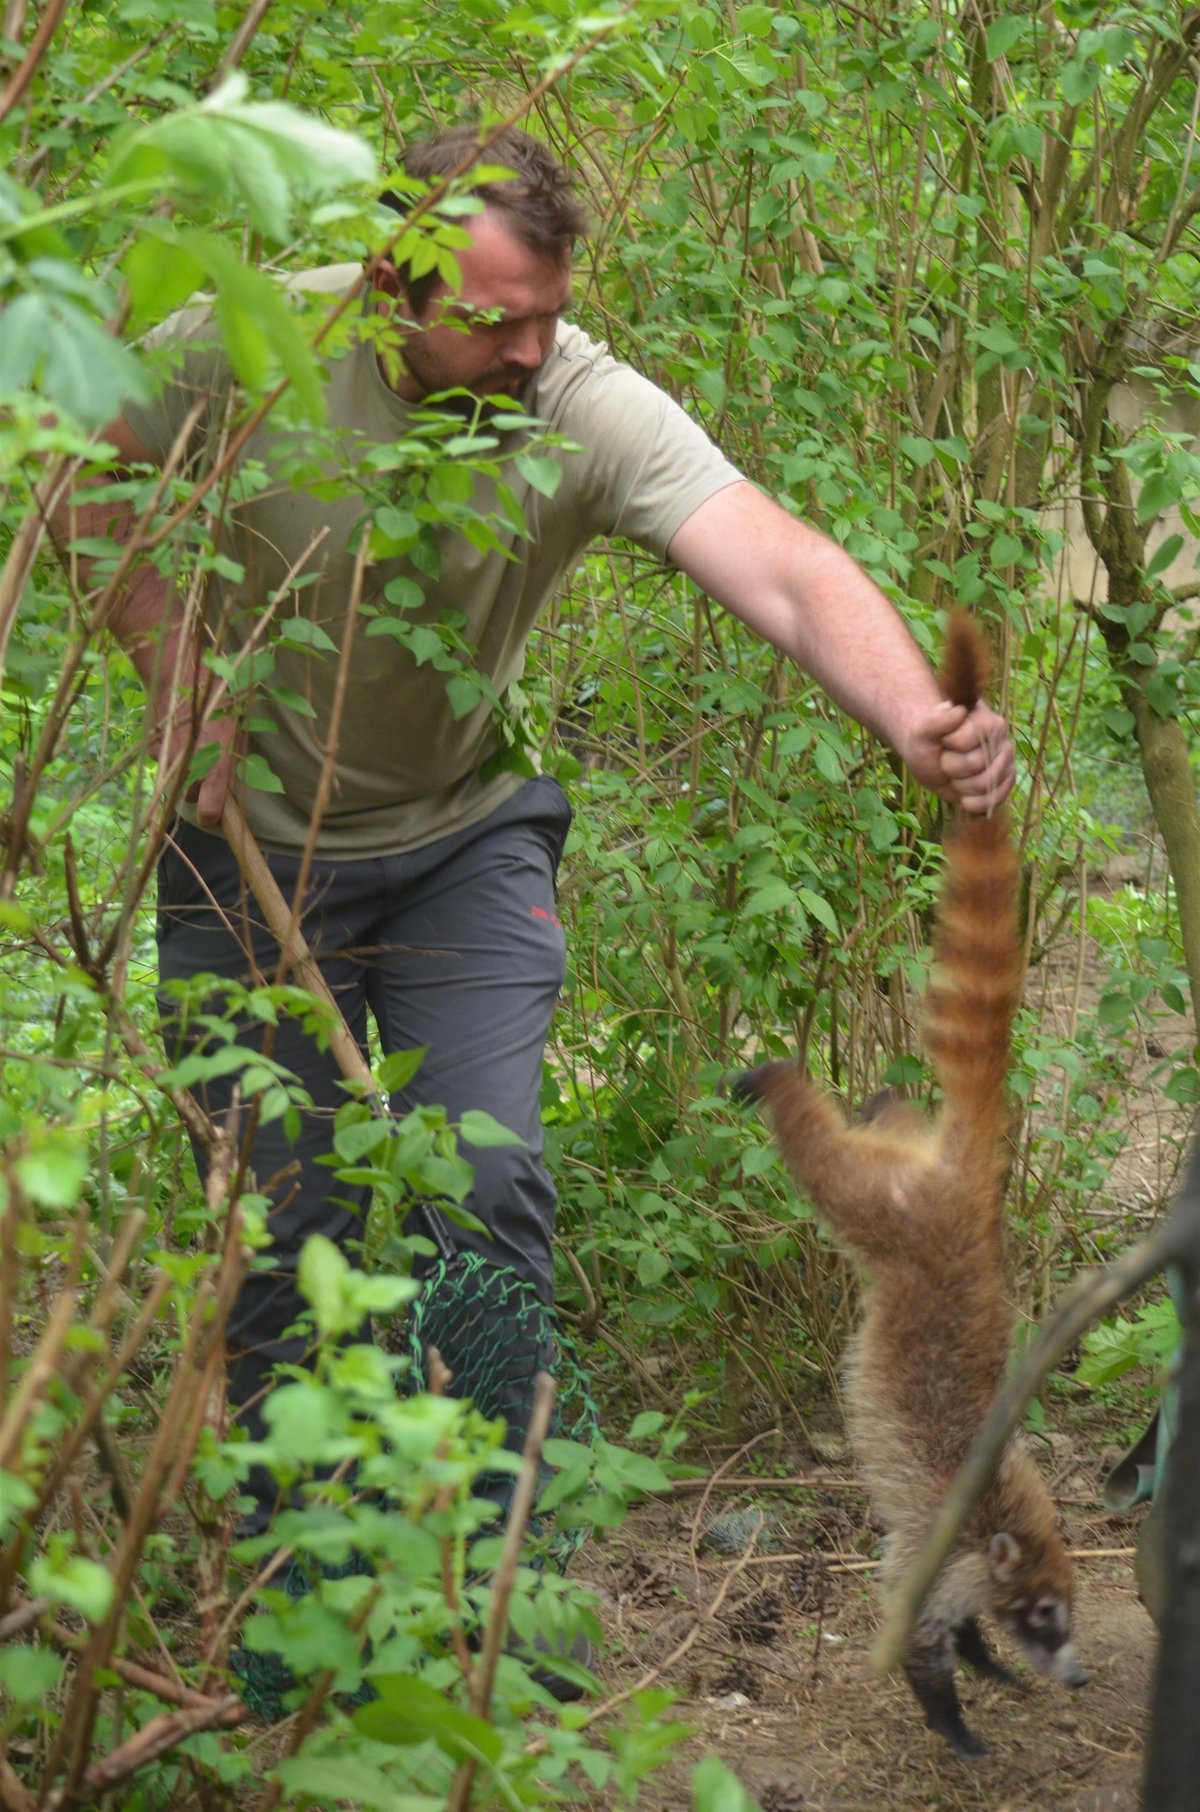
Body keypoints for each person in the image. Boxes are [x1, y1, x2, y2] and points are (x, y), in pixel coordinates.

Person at [63, 122, 1014, 1603]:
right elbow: (88, 457)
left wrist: (916, 722)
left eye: (550, 311)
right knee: (275, 1221)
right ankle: (292, 1590)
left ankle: (495, 1570)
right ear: (391, 284)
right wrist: (169, 655)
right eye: (494, 317)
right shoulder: (248, 342)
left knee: (486, 1181)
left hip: (461, 841)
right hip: (238, 855)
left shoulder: (576, 399)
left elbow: (777, 559)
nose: (529, 345)